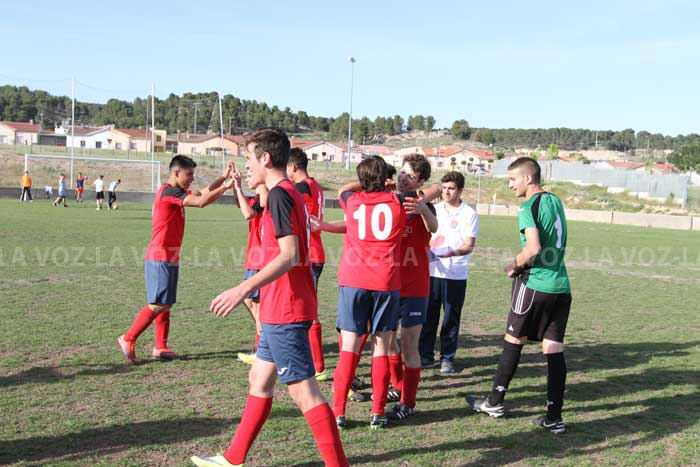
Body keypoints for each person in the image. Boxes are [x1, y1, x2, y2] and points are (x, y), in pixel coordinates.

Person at [191, 129, 348, 467]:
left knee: (304, 393)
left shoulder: (280, 195)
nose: (247, 165)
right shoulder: (286, 192)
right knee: (258, 379)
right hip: (279, 305)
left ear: (265, 158)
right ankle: (234, 458)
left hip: (286, 307)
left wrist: (242, 289)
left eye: (249, 158)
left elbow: (289, 255)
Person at [466, 157, 572, 435]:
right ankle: (554, 417)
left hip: (535, 284)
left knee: (513, 340)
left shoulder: (527, 206)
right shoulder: (555, 201)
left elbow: (533, 248)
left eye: (513, 179)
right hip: (561, 286)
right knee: (554, 350)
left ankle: (494, 401)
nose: (511, 185)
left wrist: (514, 265)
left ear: (528, 178)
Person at [117, 155, 234, 365]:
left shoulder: (175, 192)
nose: (192, 179)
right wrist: (226, 187)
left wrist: (223, 178)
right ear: (176, 172)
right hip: (160, 257)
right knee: (159, 303)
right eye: (189, 175)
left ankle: (160, 347)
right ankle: (128, 338)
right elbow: (200, 202)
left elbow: (201, 193)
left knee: (166, 303)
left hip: (169, 256)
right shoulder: (169, 192)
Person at [332, 156, 406, 430]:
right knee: (381, 347)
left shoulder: (352, 201)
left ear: (362, 179)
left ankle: (339, 412)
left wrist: (363, 184)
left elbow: (343, 189)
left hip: (353, 280)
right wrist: (386, 186)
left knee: (349, 347)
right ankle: (377, 412)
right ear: (386, 178)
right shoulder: (398, 201)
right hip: (385, 281)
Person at [385, 153, 437, 421]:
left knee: (409, 345)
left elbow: (434, 227)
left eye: (411, 176)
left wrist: (422, 208)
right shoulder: (388, 199)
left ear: (421, 181)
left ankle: (408, 402)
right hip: (387, 282)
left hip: (415, 286)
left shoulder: (423, 205)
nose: (404, 178)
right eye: (402, 172)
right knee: (385, 339)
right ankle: (397, 385)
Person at [418, 171, 479, 374]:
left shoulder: (469, 214)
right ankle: (425, 356)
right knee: (428, 317)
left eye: (451, 188)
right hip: (431, 272)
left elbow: (469, 245)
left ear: (460, 190)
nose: (446, 192)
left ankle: (447, 359)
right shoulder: (434, 209)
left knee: (451, 319)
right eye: (444, 188)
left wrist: (452, 252)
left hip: (455, 274)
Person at [286, 147, 328, 381]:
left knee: (306, 310)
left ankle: (318, 366)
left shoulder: (301, 188)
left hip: (308, 255)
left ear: (293, 166)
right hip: (314, 252)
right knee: (303, 308)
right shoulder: (316, 186)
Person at [231, 166, 268, 365]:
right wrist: (235, 185)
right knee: (252, 301)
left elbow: (248, 214)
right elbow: (241, 203)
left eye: (250, 174)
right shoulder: (257, 199)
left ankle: (262, 348)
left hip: (260, 258)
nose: (247, 178)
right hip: (254, 257)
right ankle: (264, 340)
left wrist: (238, 187)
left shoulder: (265, 199)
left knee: (257, 304)